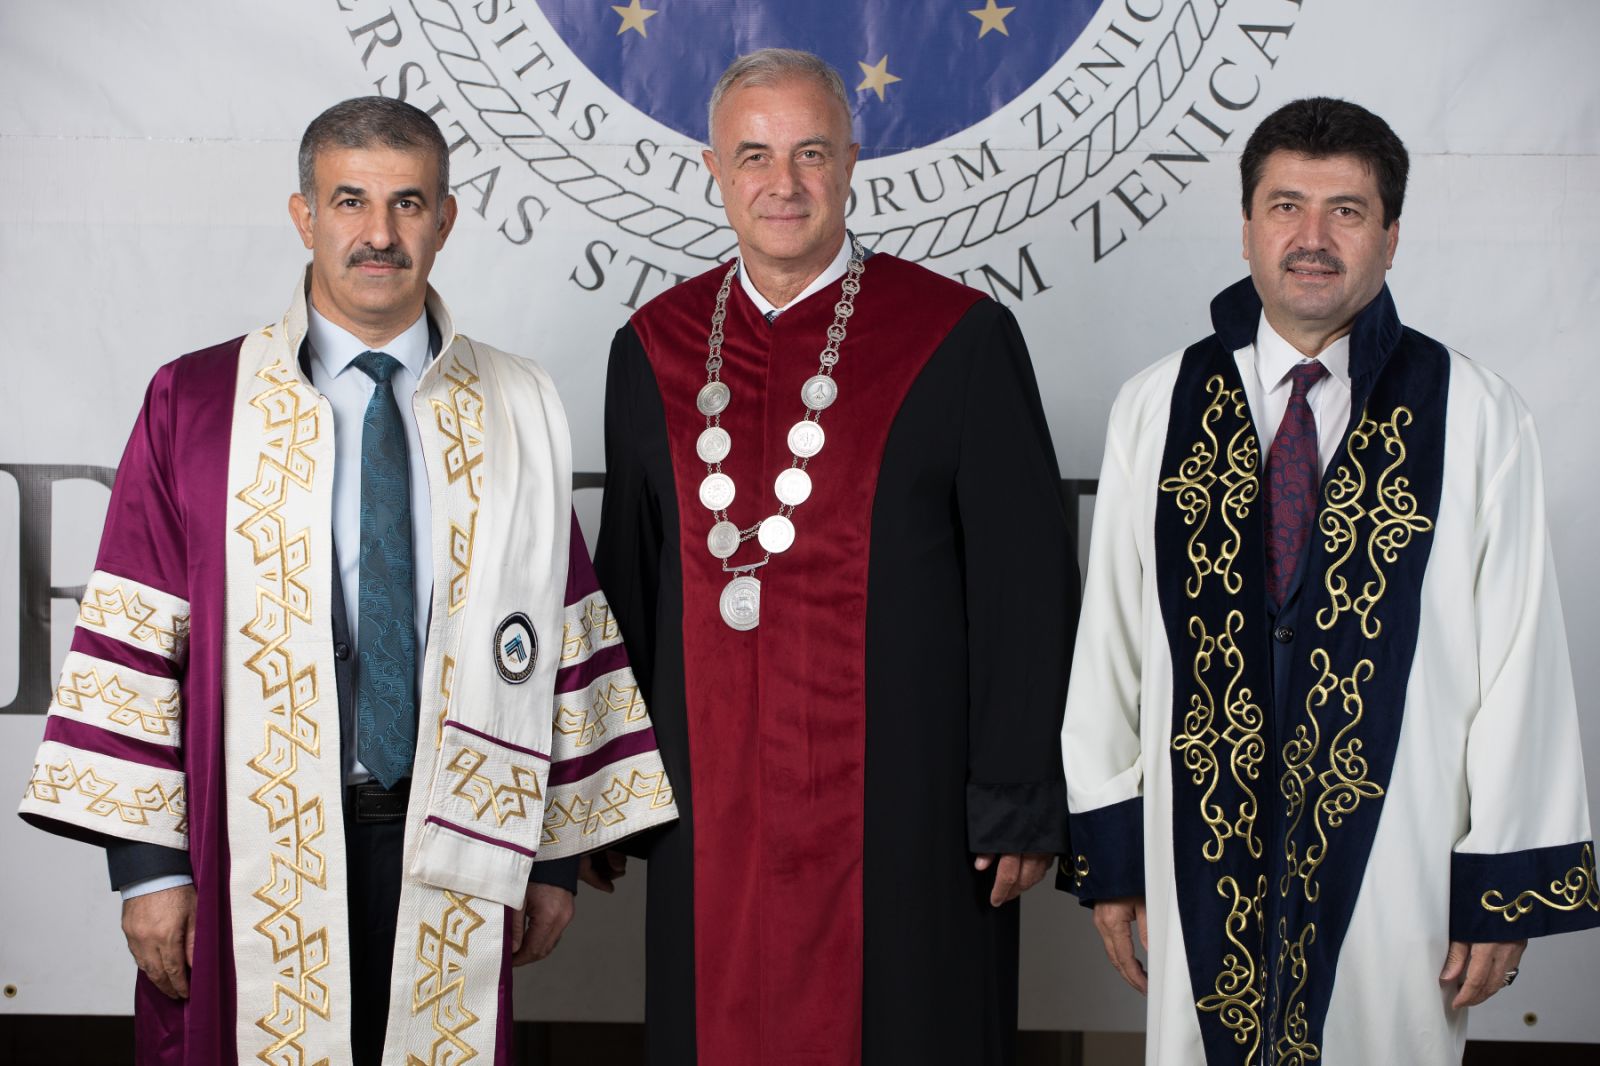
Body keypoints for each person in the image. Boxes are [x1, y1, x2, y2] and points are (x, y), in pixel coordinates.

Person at [17, 96, 677, 1066]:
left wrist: (553, 857)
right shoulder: (197, 403)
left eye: (407, 203)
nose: (379, 234)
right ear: (304, 215)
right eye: (350, 201)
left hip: (458, 838)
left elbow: (563, 632)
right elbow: (134, 638)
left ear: (444, 220)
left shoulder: (517, 403)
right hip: (251, 843)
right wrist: (149, 869)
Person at [1060, 96, 1600, 1065]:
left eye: (1346, 211)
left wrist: (1502, 881)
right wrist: (1112, 849)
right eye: (1286, 207)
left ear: (1391, 235)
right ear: (1246, 227)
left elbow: (1521, 657)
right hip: (1199, 844)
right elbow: (1112, 645)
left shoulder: (1473, 415)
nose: (1312, 238)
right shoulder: (1158, 405)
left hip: (1400, 855)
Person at [590, 48, 1077, 1066]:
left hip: (911, 803)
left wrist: (1018, 794)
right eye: (754, 156)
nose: (784, 183)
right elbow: (628, 585)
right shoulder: (651, 347)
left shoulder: (956, 337)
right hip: (713, 808)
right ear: (714, 171)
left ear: (853, 160)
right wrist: (606, 794)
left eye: (811, 153)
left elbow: (1025, 585)